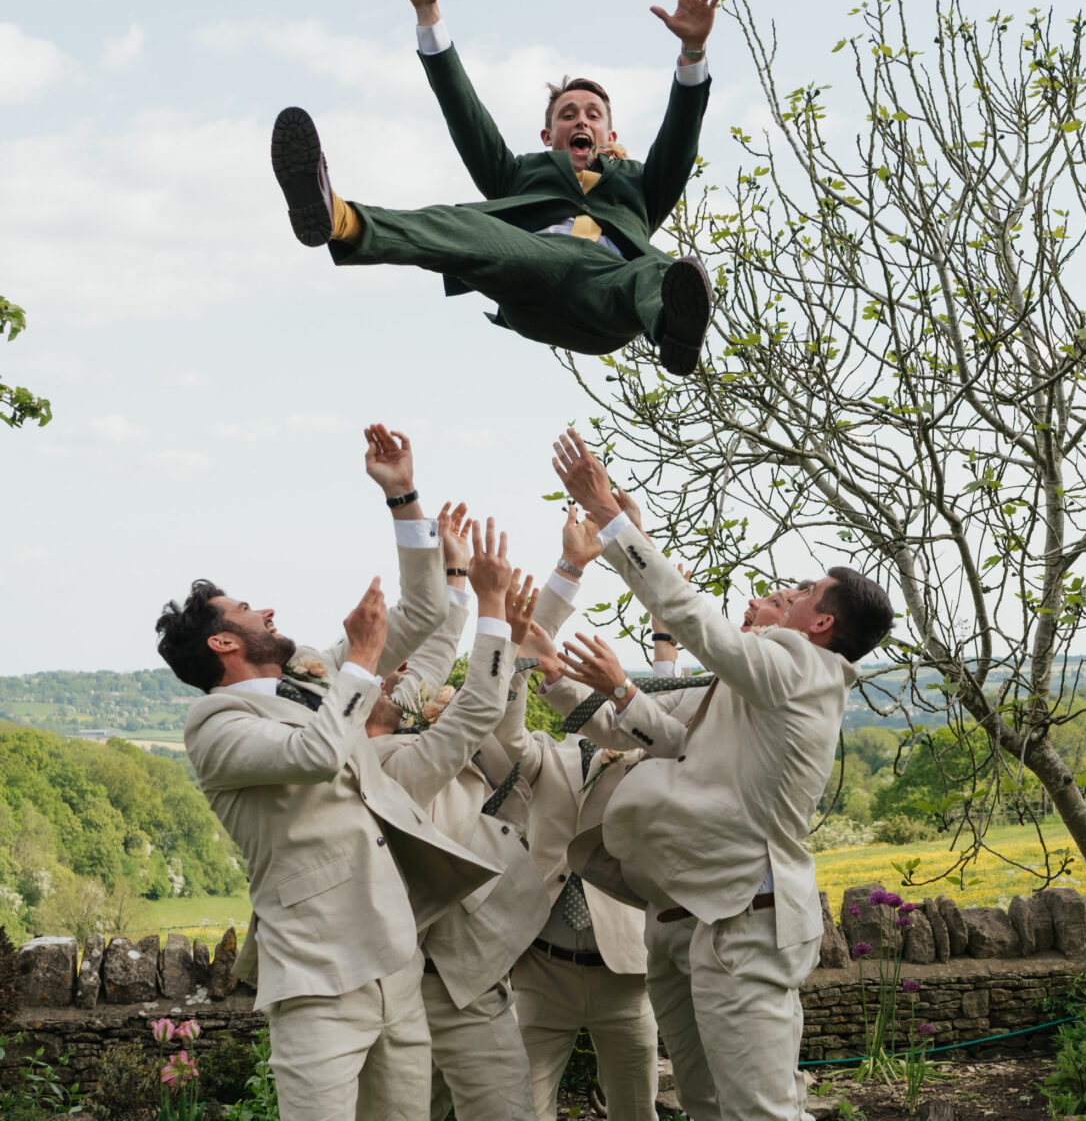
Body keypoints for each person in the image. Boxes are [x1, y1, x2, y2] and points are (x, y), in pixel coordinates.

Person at [551, 428, 894, 1121]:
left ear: (821, 623)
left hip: (743, 918)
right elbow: (661, 728)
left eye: (803, 590)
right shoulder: (753, 684)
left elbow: (693, 618)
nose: (784, 593)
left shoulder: (804, 670)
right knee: (705, 1106)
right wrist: (628, 534)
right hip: (685, 914)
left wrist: (610, 517)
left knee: (760, 1113)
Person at [160, 427, 500, 1121]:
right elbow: (315, 755)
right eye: (247, 610)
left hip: (395, 958)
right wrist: (363, 661)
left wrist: (402, 498)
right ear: (223, 641)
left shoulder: (312, 673)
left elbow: (424, 613)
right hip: (316, 976)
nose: (267, 610)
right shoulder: (214, 726)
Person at [269, 0, 721, 369]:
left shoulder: (640, 185)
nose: (581, 120)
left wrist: (693, 51)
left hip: (608, 293)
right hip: (530, 271)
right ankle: (338, 217)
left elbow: (680, 138)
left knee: (661, 270)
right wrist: (428, 14)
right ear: (548, 137)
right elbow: (465, 115)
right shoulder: (518, 175)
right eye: (568, 114)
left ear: (609, 132)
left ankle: (673, 331)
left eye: (592, 114)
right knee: (463, 222)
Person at [486, 510, 695, 1121]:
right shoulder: (542, 758)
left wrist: (665, 636)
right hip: (541, 969)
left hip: (624, 974)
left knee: (636, 1109)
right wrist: (525, 654)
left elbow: (671, 718)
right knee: (523, 1109)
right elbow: (505, 725)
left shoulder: (645, 762)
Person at [365, 518, 551, 1121]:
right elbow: (475, 709)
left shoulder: (388, 722)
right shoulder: (382, 767)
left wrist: (455, 575)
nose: (400, 680)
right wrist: (490, 601)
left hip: (467, 969)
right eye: (383, 680)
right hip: (421, 976)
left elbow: (432, 654)